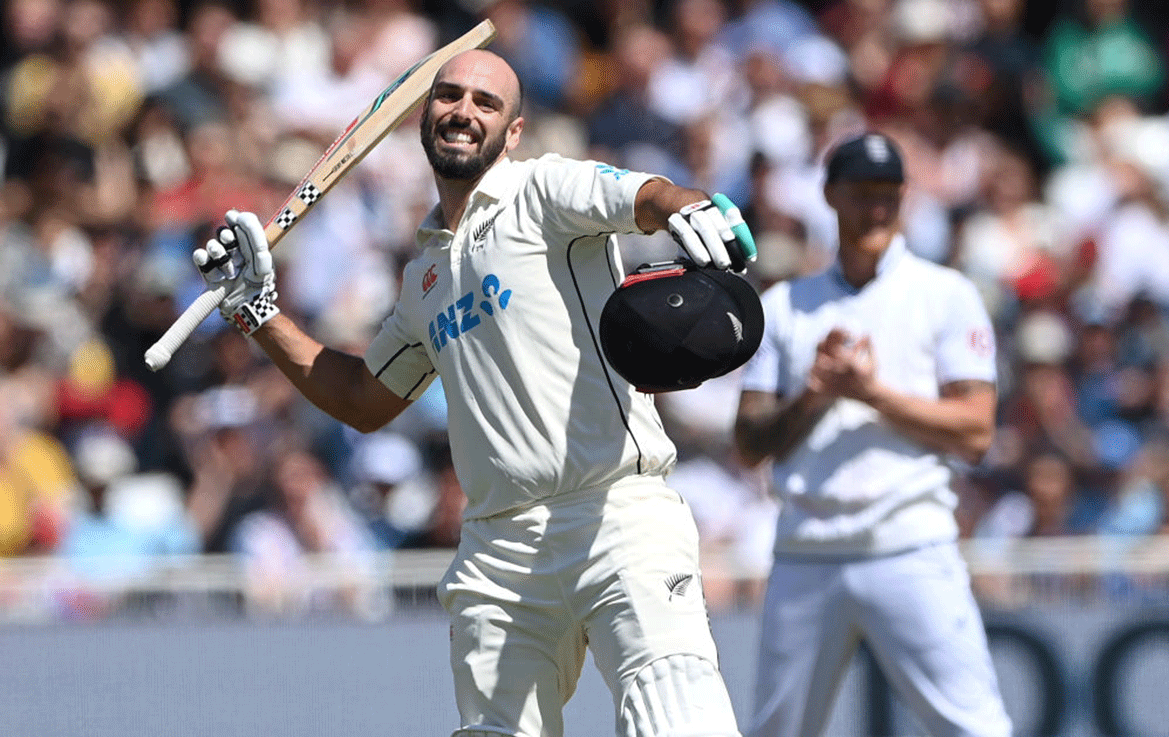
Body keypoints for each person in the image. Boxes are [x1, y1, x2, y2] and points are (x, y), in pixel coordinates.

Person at [190, 49, 749, 737]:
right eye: (449, 95)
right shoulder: (423, 272)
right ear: (425, 114)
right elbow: (364, 398)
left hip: (616, 510)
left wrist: (691, 210)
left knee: (677, 713)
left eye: (486, 103)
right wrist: (256, 311)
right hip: (498, 545)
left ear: (513, 131)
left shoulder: (542, 189)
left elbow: (644, 195)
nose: (463, 110)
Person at [733, 132, 1013, 737]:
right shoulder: (785, 306)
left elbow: (976, 430)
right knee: (778, 731)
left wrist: (871, 394)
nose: (876, 209)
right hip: (807, 548)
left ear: (905, 198)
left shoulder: (946, 294)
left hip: (910, 541)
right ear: (831, 195)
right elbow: (748, 441)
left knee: (977, 728)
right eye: (862, 194)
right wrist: (815, 392)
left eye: (888, 195)